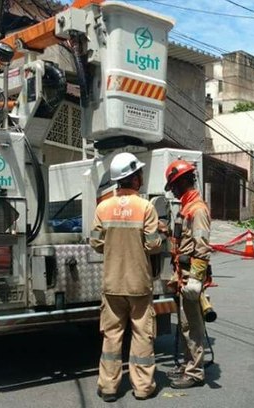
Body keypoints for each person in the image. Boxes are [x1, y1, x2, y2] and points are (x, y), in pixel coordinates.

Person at [90, 152, 163, 402]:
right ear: (133, 178)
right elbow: (153, 245)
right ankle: (142, 387)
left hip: (112, 284)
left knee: (112, 335)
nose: (141, 177)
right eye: (139, 173)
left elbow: (96, 243)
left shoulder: (103, 207)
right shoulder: (146, 207)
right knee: (142, 334)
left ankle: (109, 387)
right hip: (139, 284)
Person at [164, 159, 211, 389]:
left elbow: (202, 246)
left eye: (174, 185)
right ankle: (188, 365)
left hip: (191, 274)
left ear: (183, 182)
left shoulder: (197, 209)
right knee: (184, 324)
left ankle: (195, 373)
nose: (172, 189)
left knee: (192, 325)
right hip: (182, 274)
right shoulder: (185, 207)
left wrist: (196, 278)